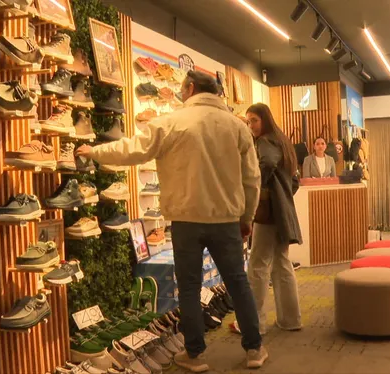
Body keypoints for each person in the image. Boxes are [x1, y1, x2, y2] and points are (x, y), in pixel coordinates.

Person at [75, 70, 268, 371]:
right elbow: (252, 179)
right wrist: (246, 218)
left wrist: (94, 151)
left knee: (189, 288)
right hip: (226, 219)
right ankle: (254, 350)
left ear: (189, 89)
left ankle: (195, 355)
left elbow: (132, 149)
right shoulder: (237, 126)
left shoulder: (171, 122)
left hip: (185, 220)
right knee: (238, 283)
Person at [233, 103, 302, 335]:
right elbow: (294, 182)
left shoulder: (265, 141)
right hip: (281, 212)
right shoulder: (282, 141)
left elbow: (268, 164)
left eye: (254, 120)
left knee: (258, 266)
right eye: (248, 121)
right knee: (281, 264)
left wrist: (255, 186)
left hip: (267, 212)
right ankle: (290, 319)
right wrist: (281, 196)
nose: (251, 125)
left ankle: (254, 325)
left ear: (265, 120)